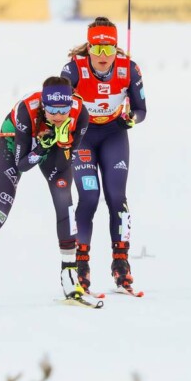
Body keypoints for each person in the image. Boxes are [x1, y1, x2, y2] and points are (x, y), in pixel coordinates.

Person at [0, 76, 90, 312]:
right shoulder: (26, 111)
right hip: (15, 149)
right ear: (43, 104)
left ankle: (70, 275)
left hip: (50, 149)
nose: (59, 115)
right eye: (52, 109)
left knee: (65, 202)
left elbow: (67, 159)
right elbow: (22, 164)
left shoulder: (81, 113)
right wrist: (41, 146)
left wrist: (61, 145)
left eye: (64, 109)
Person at [61, 16, 147, 295]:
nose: (102, 56)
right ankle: (81, 264)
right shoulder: (73, 69)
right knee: (88, 197)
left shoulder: (129, 69)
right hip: (83, 138)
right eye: (96, 49)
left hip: (113, 135)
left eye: (108, 50)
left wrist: (130, 117)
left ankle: (121, 262)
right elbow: (58, 102)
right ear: (88, 48)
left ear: (116, 49)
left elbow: (142, 109)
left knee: (116, 197)